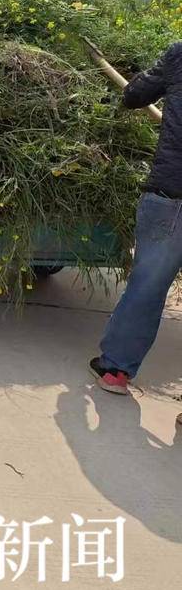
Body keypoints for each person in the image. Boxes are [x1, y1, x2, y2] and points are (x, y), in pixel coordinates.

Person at [91, 42, 182, 394]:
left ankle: (116, 371)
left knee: (147, 285)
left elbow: (134, 96)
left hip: (172, 194)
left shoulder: (178, 55)